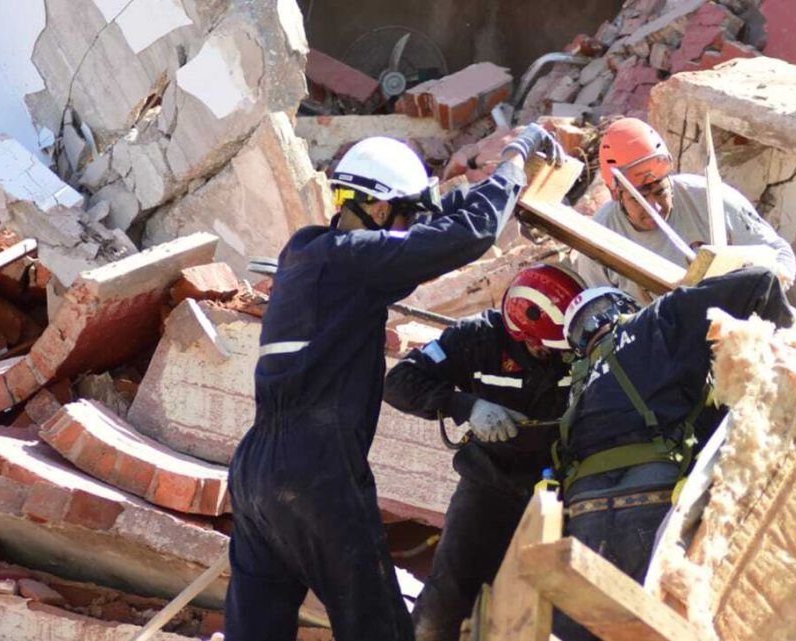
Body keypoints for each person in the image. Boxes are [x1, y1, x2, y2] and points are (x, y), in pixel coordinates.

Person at [225, 127, 564, 641]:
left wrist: (463, 195)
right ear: (380, 209)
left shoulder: (307, 252)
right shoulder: (354, 260)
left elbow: (429, 233)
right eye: (406, 215)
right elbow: (469, 235)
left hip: (254, 473)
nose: (409, 228)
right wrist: (515, 161)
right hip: (318, 471)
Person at [551, 267, 794, 641]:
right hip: (653, 500)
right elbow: (760, 281)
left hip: (584, 517)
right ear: (624, 306)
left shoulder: (577, 384)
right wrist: (790, 360)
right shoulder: (655, 319)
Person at [383, 263, 586, 641]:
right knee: (447, 598)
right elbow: (399, 382)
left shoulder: (584, 342)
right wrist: (467, 407)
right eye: (540, 345)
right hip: (491, 483)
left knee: (561, 609)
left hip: (567, 488)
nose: (549, 352)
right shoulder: (477, 338)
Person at [575, 117, 796, 302]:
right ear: (617, 195)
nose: (654, 207)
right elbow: (597, 308)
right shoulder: (600, 237)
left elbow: (780, 254)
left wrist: (763, 289)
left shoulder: (710, 198)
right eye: (638, 199)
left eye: (660, 192)